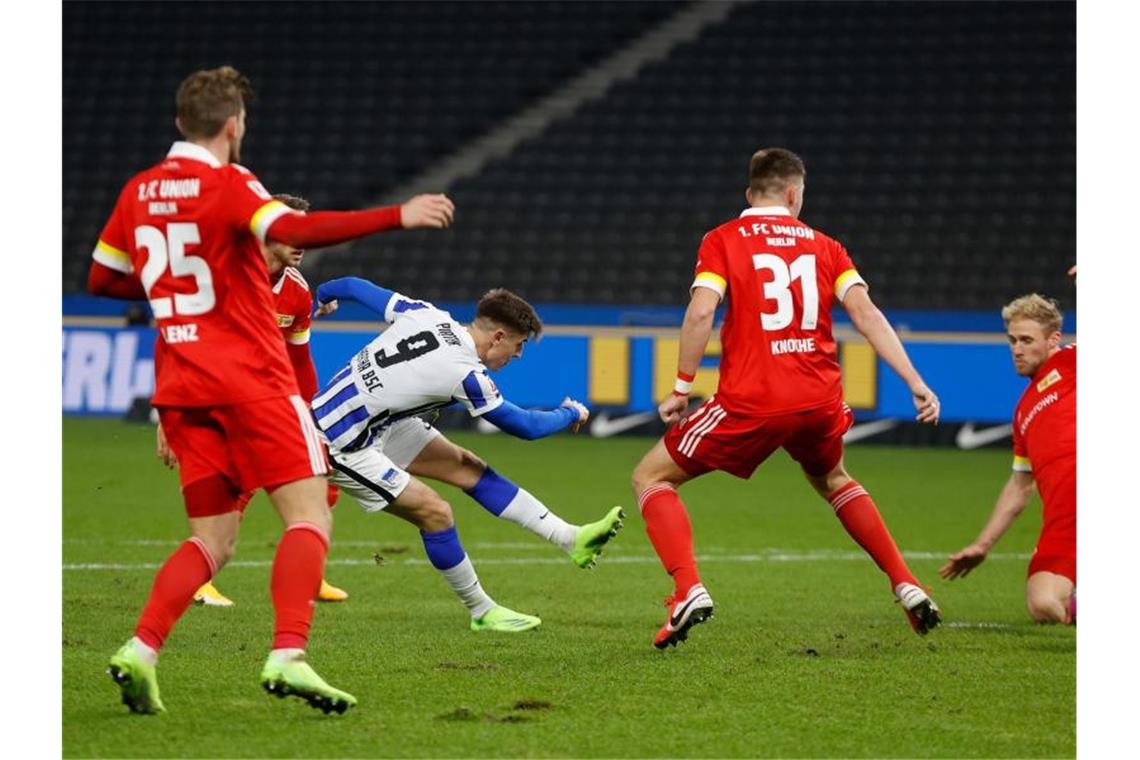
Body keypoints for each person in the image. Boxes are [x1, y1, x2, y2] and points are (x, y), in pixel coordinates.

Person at [87, 65, 455, 715]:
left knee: (212, 540)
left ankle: (141, 650)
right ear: (234, 127)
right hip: (251, 380)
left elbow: (104, 280)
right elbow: (294, 231)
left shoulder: (138, 191)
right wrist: (398, 215)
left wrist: (181, 292)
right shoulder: (228, 184)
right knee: (310, 514)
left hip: (181, 389)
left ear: (179, 123)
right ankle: (289, 652)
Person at [630, 147, 943, 649]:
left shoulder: (724, 239)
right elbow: (866, 314)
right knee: (835, 479)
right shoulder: (826, 246)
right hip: (820, 401)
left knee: (650, 477)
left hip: (753, 401)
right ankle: (905, 582)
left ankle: (688, 588)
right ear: (794, 194)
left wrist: (682, 386)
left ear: (750, 194)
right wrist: (915, 381)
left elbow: (699, 314)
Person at [310, 277, 624, 631]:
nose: (518, 356)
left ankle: (571, 538)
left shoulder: (425, 314)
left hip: (373, 422)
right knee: (436, 513)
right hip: (341, 440)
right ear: (499, 337)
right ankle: (481, 610)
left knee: (468, 466)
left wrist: (321, 298)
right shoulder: (465, 373)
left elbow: (351, 285)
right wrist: (571, 412)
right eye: (519, 346)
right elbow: (526, 427)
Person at [155, 193, 348, 608]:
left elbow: (300, 359)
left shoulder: (296, 292)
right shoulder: (221, 276)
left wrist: (311, 416)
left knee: (321, 477)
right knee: (237, 481)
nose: (301, 240)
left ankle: (310, 573)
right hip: (212, 395)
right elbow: (175, 343)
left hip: (267, 395)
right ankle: (201, 577)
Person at [939, 295, 1075, 624]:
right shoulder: (1023, 411)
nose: (1016, 349)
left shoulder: (1074, 361)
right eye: (1012, 340)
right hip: (1065, 525)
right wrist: (982, 545)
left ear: (1054, 339)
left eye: (1027, 340)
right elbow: (1019, 486)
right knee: (1042, 606)